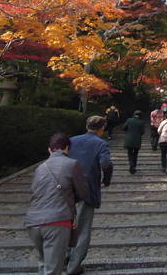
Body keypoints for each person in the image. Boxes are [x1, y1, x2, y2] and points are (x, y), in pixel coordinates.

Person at [24, 133, 89, 275]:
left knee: (44, 263)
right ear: (67, 147)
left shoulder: (40, 167)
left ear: (49, 149)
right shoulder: (72, 164)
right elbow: (83, 193)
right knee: (53, 268)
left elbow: (34, 191)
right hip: (57, 220)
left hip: (33, 221)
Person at [66, 116, 113, 275]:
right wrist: (106, 180)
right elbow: (106, 163)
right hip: (86, 189)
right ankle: (73, 266)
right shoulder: (100, 143)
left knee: (65, 224)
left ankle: (63, 256)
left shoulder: (72, 140)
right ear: (102, 128)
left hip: (67, 188)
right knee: (82, 228)